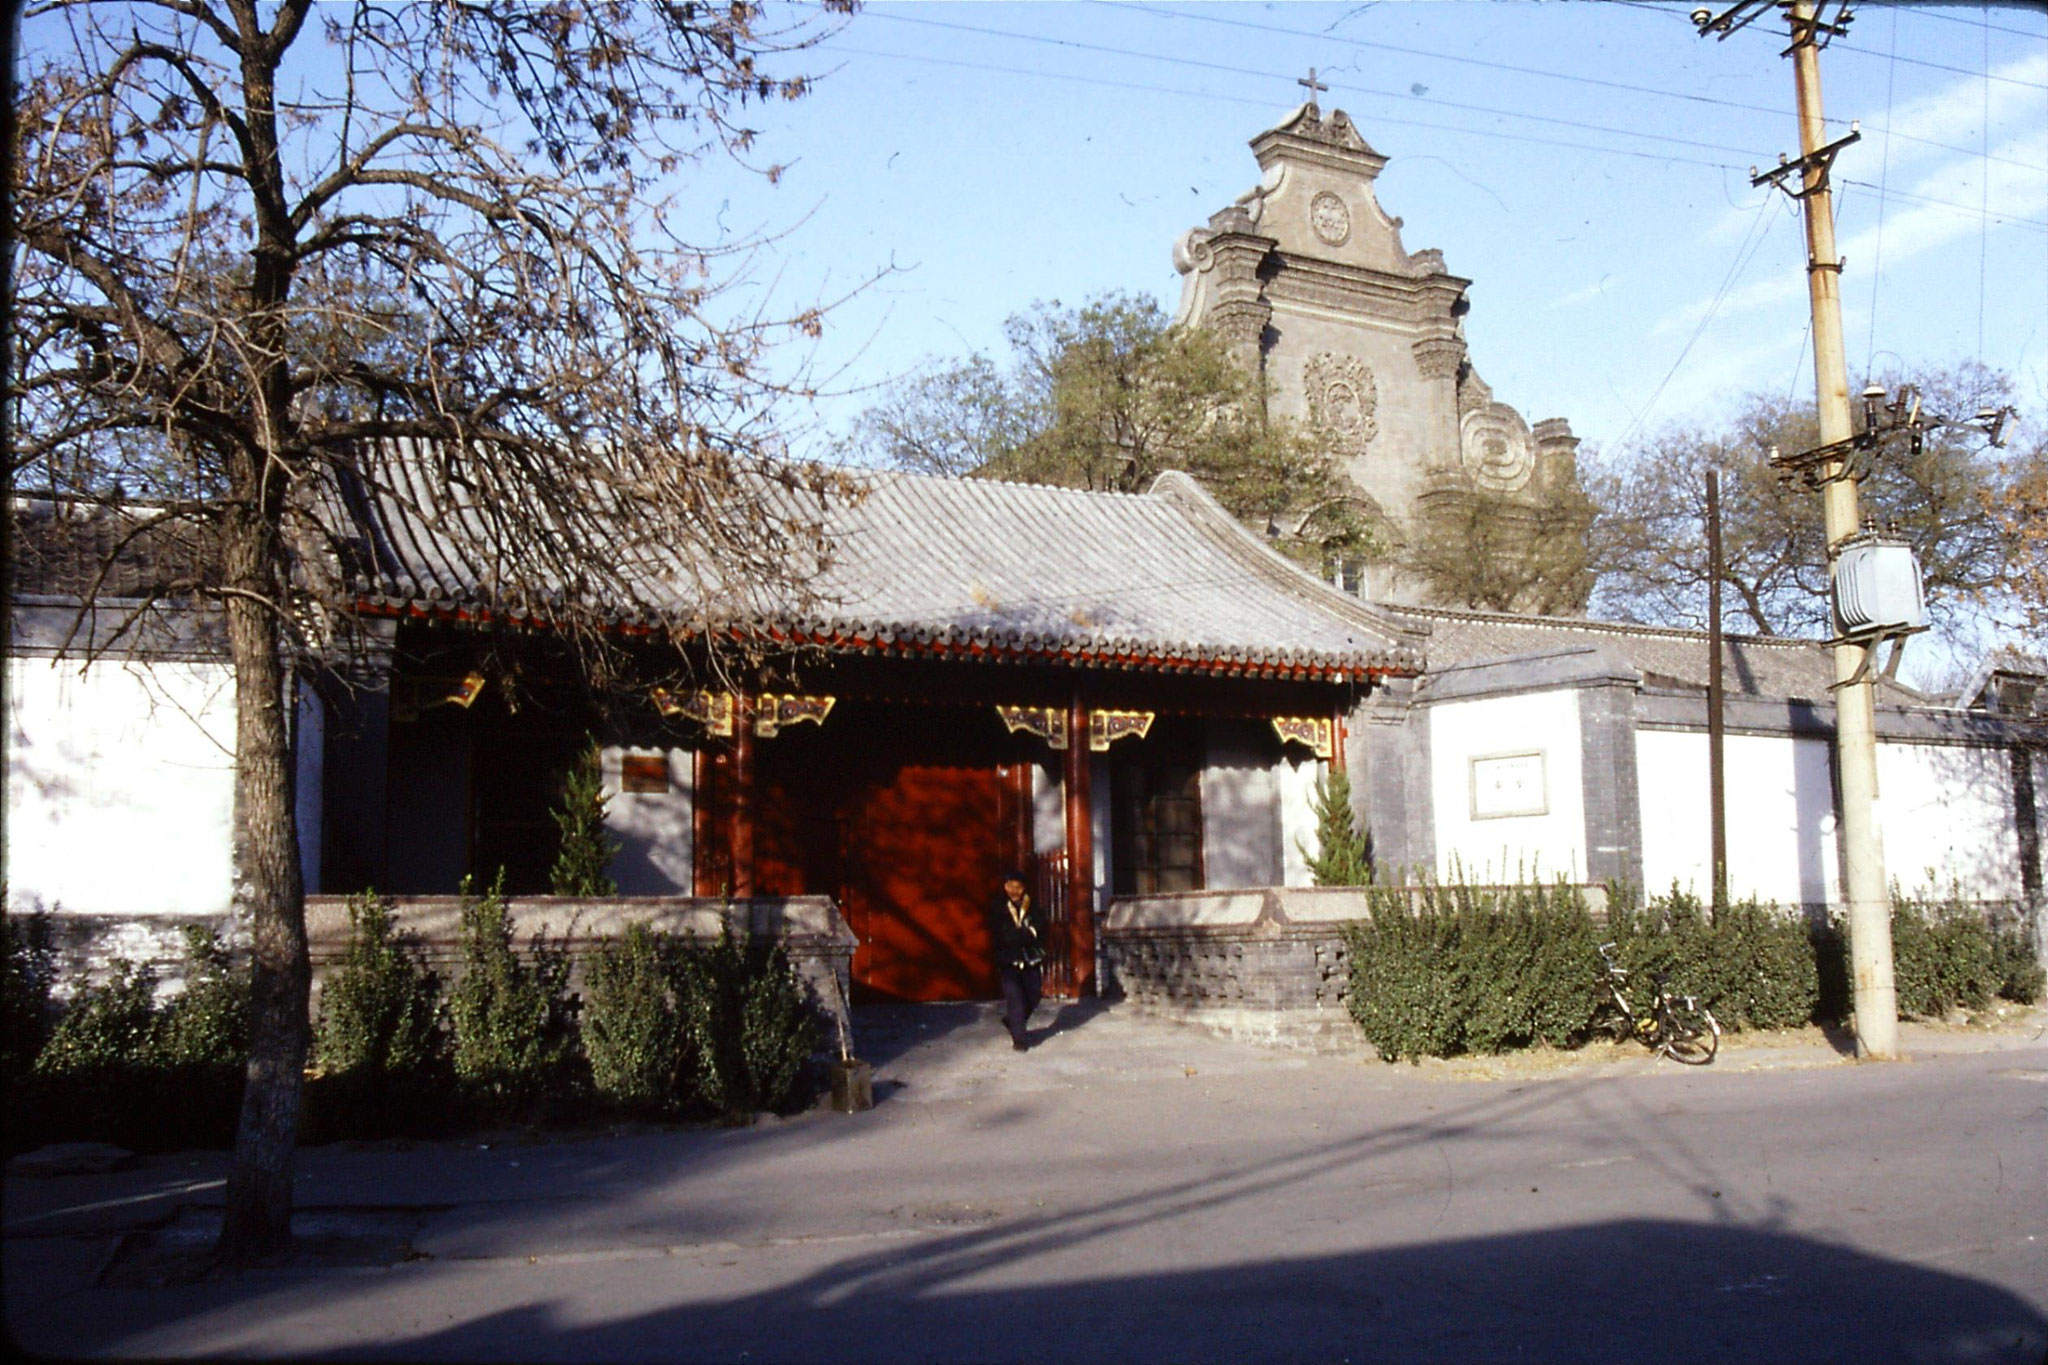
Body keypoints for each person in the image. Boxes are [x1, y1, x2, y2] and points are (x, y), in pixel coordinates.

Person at [988, 870, 1048, 1051]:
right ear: (1005, 887)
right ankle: (1019, 1039)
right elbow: (1003, 935)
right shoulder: (997, 906)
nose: (1015, 890)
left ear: (1024, 888)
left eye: (1019, 887)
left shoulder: (1033, 905)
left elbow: (1042, 927)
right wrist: (1027, 933)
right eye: (1011, 886)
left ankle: (1013, 1022)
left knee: (1034, 995)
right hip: (1008, 960)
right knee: (1015, 999)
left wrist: (1026, 933)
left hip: (1031, 959)